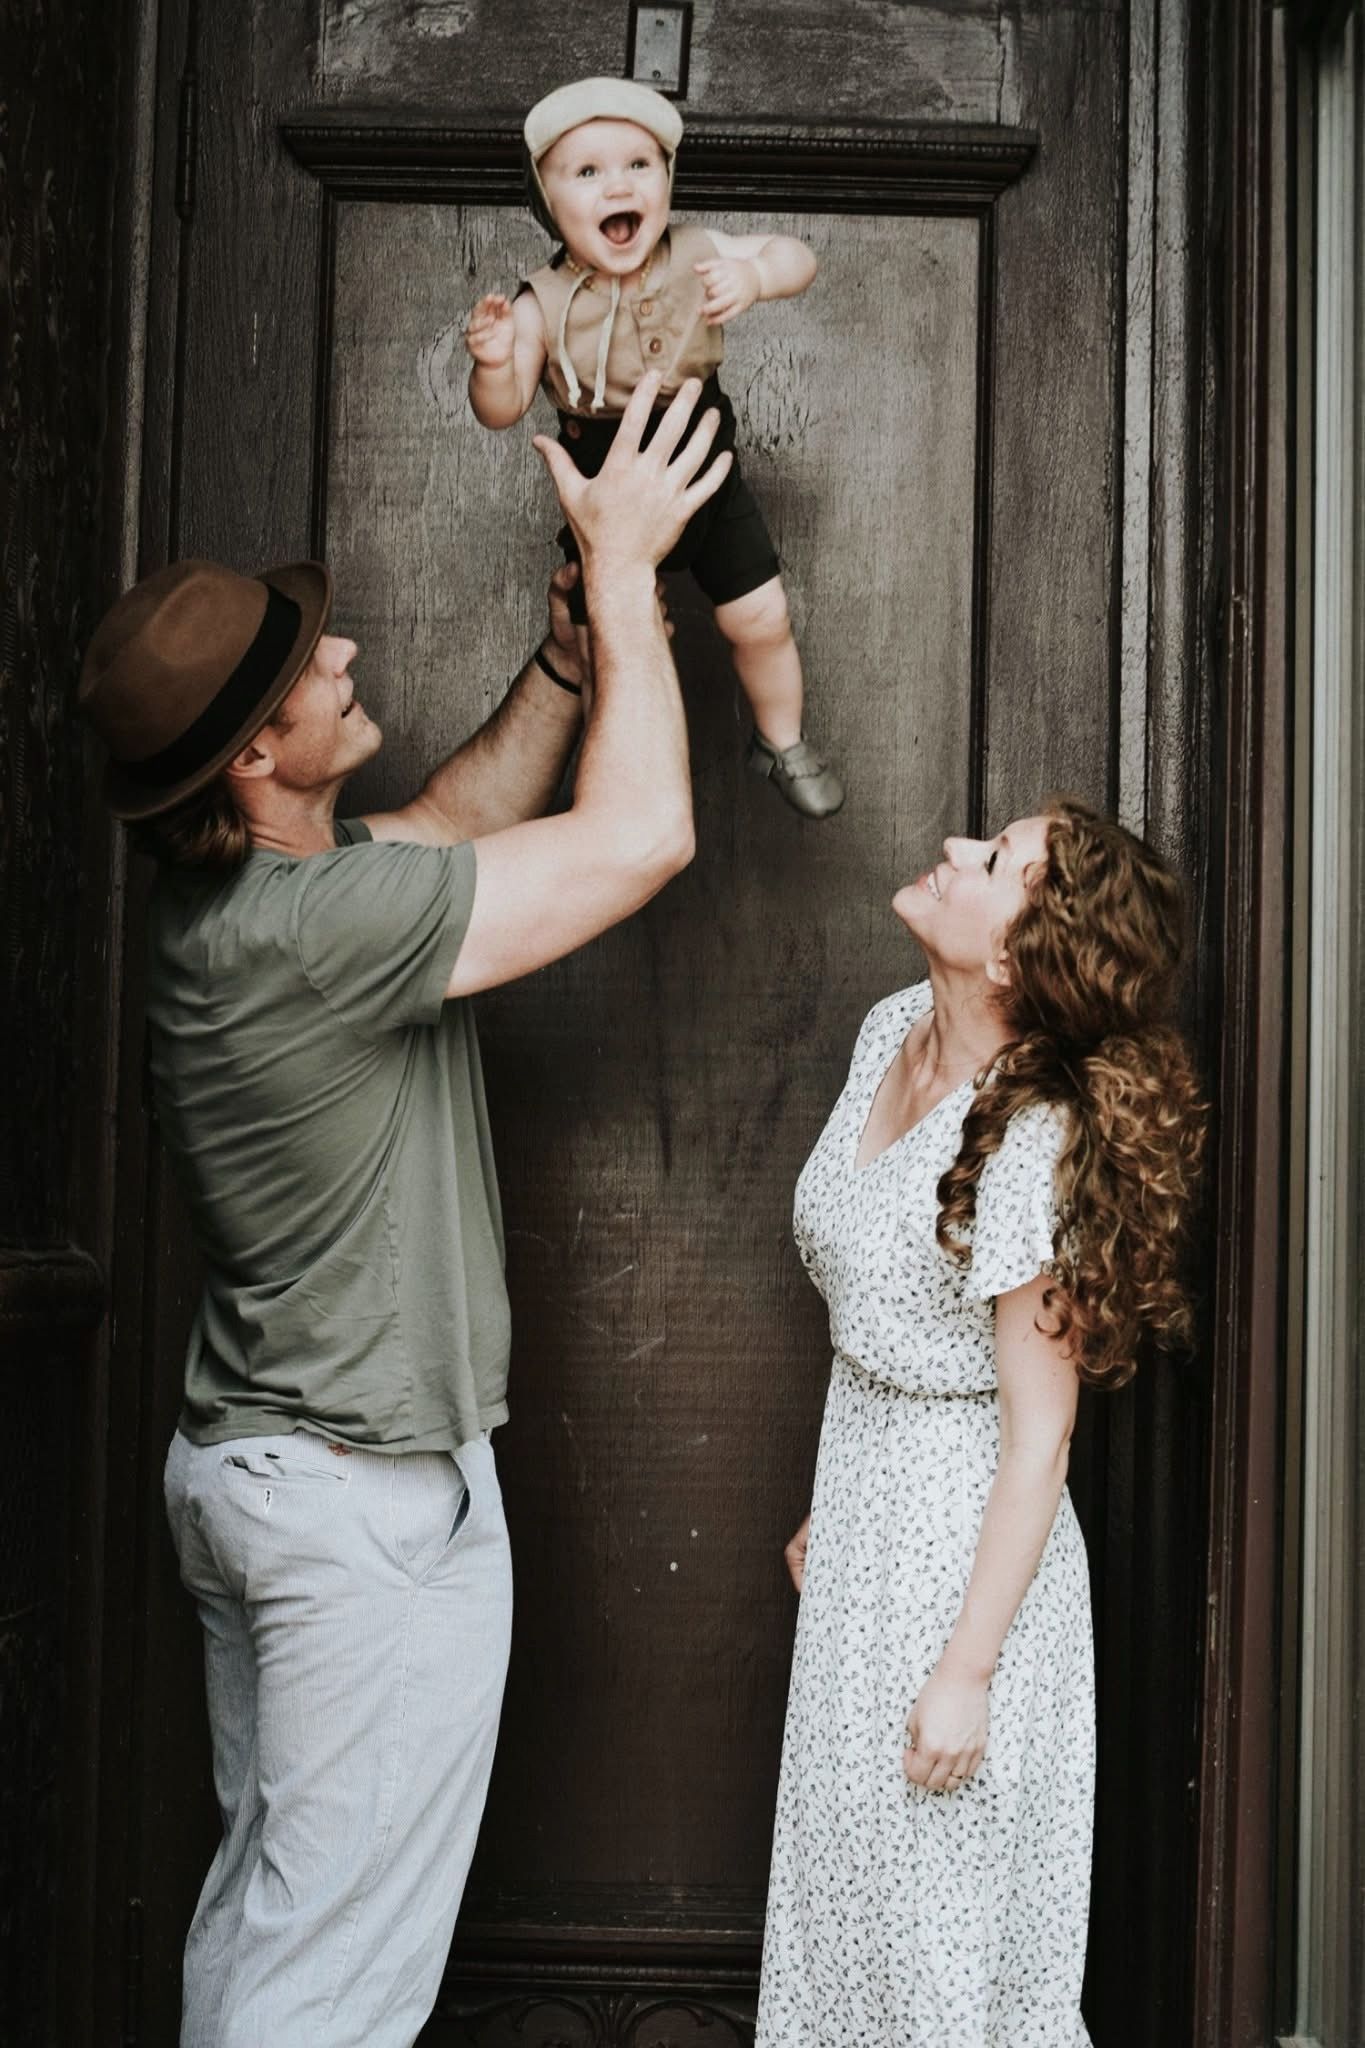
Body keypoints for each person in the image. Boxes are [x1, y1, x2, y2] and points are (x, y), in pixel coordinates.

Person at [77, 373, 730, 2048]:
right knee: (330, 1993)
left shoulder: (253, 904)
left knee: (270, 1927)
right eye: (308, 674)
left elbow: (443, 829)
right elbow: (642, 832)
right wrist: (638, 569)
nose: (346, 656)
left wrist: (574, 656)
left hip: (257, 1473)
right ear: (253, 762)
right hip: (359, 1514)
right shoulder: (310, 934)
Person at [756, 802, 1206, 2046]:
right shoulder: (888, 1029)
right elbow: (882, 1304)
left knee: (939, 1960)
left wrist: (966, 1674)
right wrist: (839, 1502)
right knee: (844, 1940)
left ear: (1017, 954)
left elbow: (1037, 1437)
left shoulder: (1034, 1135)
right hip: (863, 1542)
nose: (955, 851)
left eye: (994, 860)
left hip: (969, 1583)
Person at [464, 75, 845, 820]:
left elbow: (796, 256)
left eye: (640, 164)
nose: (619, 185)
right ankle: (612, 782)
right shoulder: (538, 300)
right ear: (547, 201)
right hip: (606, 492)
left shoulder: (696, 250)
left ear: (668, 179)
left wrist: (757, 274)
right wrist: (492, 362)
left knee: (760, 616)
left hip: (705, 467)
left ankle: (781, 740)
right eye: (587, 172)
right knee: (606, 637)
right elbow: (503, 409)